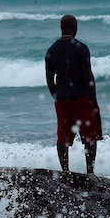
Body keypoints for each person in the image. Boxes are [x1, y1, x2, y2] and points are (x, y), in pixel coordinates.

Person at [45, 14, 102, 174]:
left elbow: (50, 80)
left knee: (63, 136)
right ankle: (90, 172)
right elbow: (88, 76)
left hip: (61, 99)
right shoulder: (81, 48)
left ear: (61, 28)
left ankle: (65, 171)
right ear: (75, 28)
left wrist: (57, 96)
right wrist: (93, 99)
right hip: (80, 98)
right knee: (89, 137)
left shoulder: (52, 50)